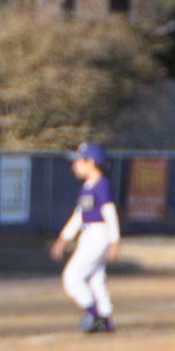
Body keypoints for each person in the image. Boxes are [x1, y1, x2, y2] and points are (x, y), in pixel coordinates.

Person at [51, 141, 120, 333]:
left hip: (99, 234)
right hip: (89, 234)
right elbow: (79, 216)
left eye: (79, 161)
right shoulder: (87, 187)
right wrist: (63, 238)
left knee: (71, 277)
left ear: (91, 162)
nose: (75, 165)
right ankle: (105, 318)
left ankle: (94, 314)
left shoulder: (102, 185)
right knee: (95, 278)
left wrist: (115, 240)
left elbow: (109, 213)